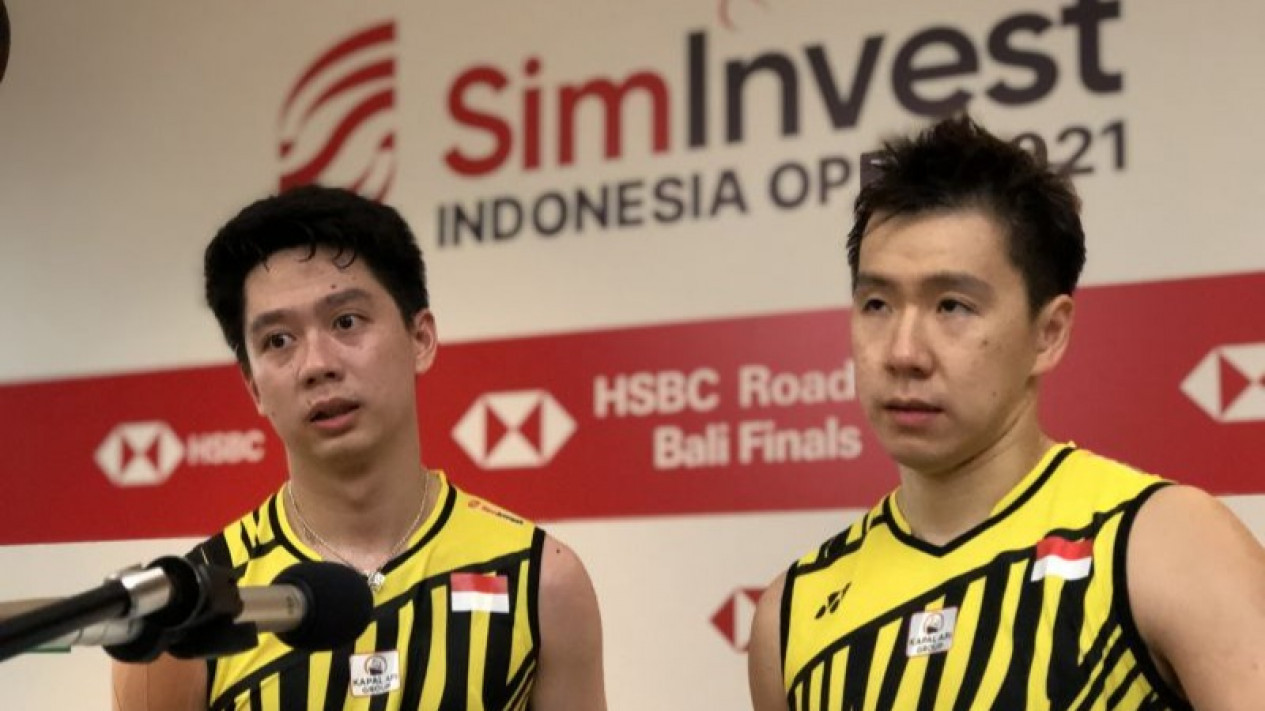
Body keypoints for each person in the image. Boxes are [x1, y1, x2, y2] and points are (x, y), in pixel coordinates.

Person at [747, 116, 1265, 709]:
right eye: (877, 304)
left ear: (1049, 333)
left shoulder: (1165, 545)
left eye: (952, 306)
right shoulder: (792, 613)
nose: (903, 352)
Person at [112, 186, 607, 710]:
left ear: (421, 339)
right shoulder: (190, 614)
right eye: (278, 340)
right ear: (254, 386)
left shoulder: (539, 581)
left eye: (346, 321)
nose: (316, 364)